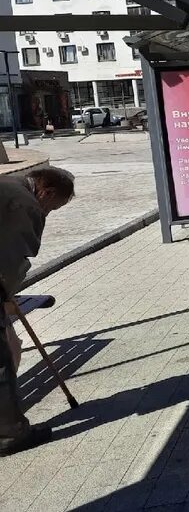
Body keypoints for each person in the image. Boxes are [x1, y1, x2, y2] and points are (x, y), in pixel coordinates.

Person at [0, 167, 75, 456]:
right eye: (52, 207)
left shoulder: (8, 185)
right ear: (47, 191)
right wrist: (7, 291)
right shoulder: (24, 204)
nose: (48, 212)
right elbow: (14, 256)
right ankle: (10, 435)